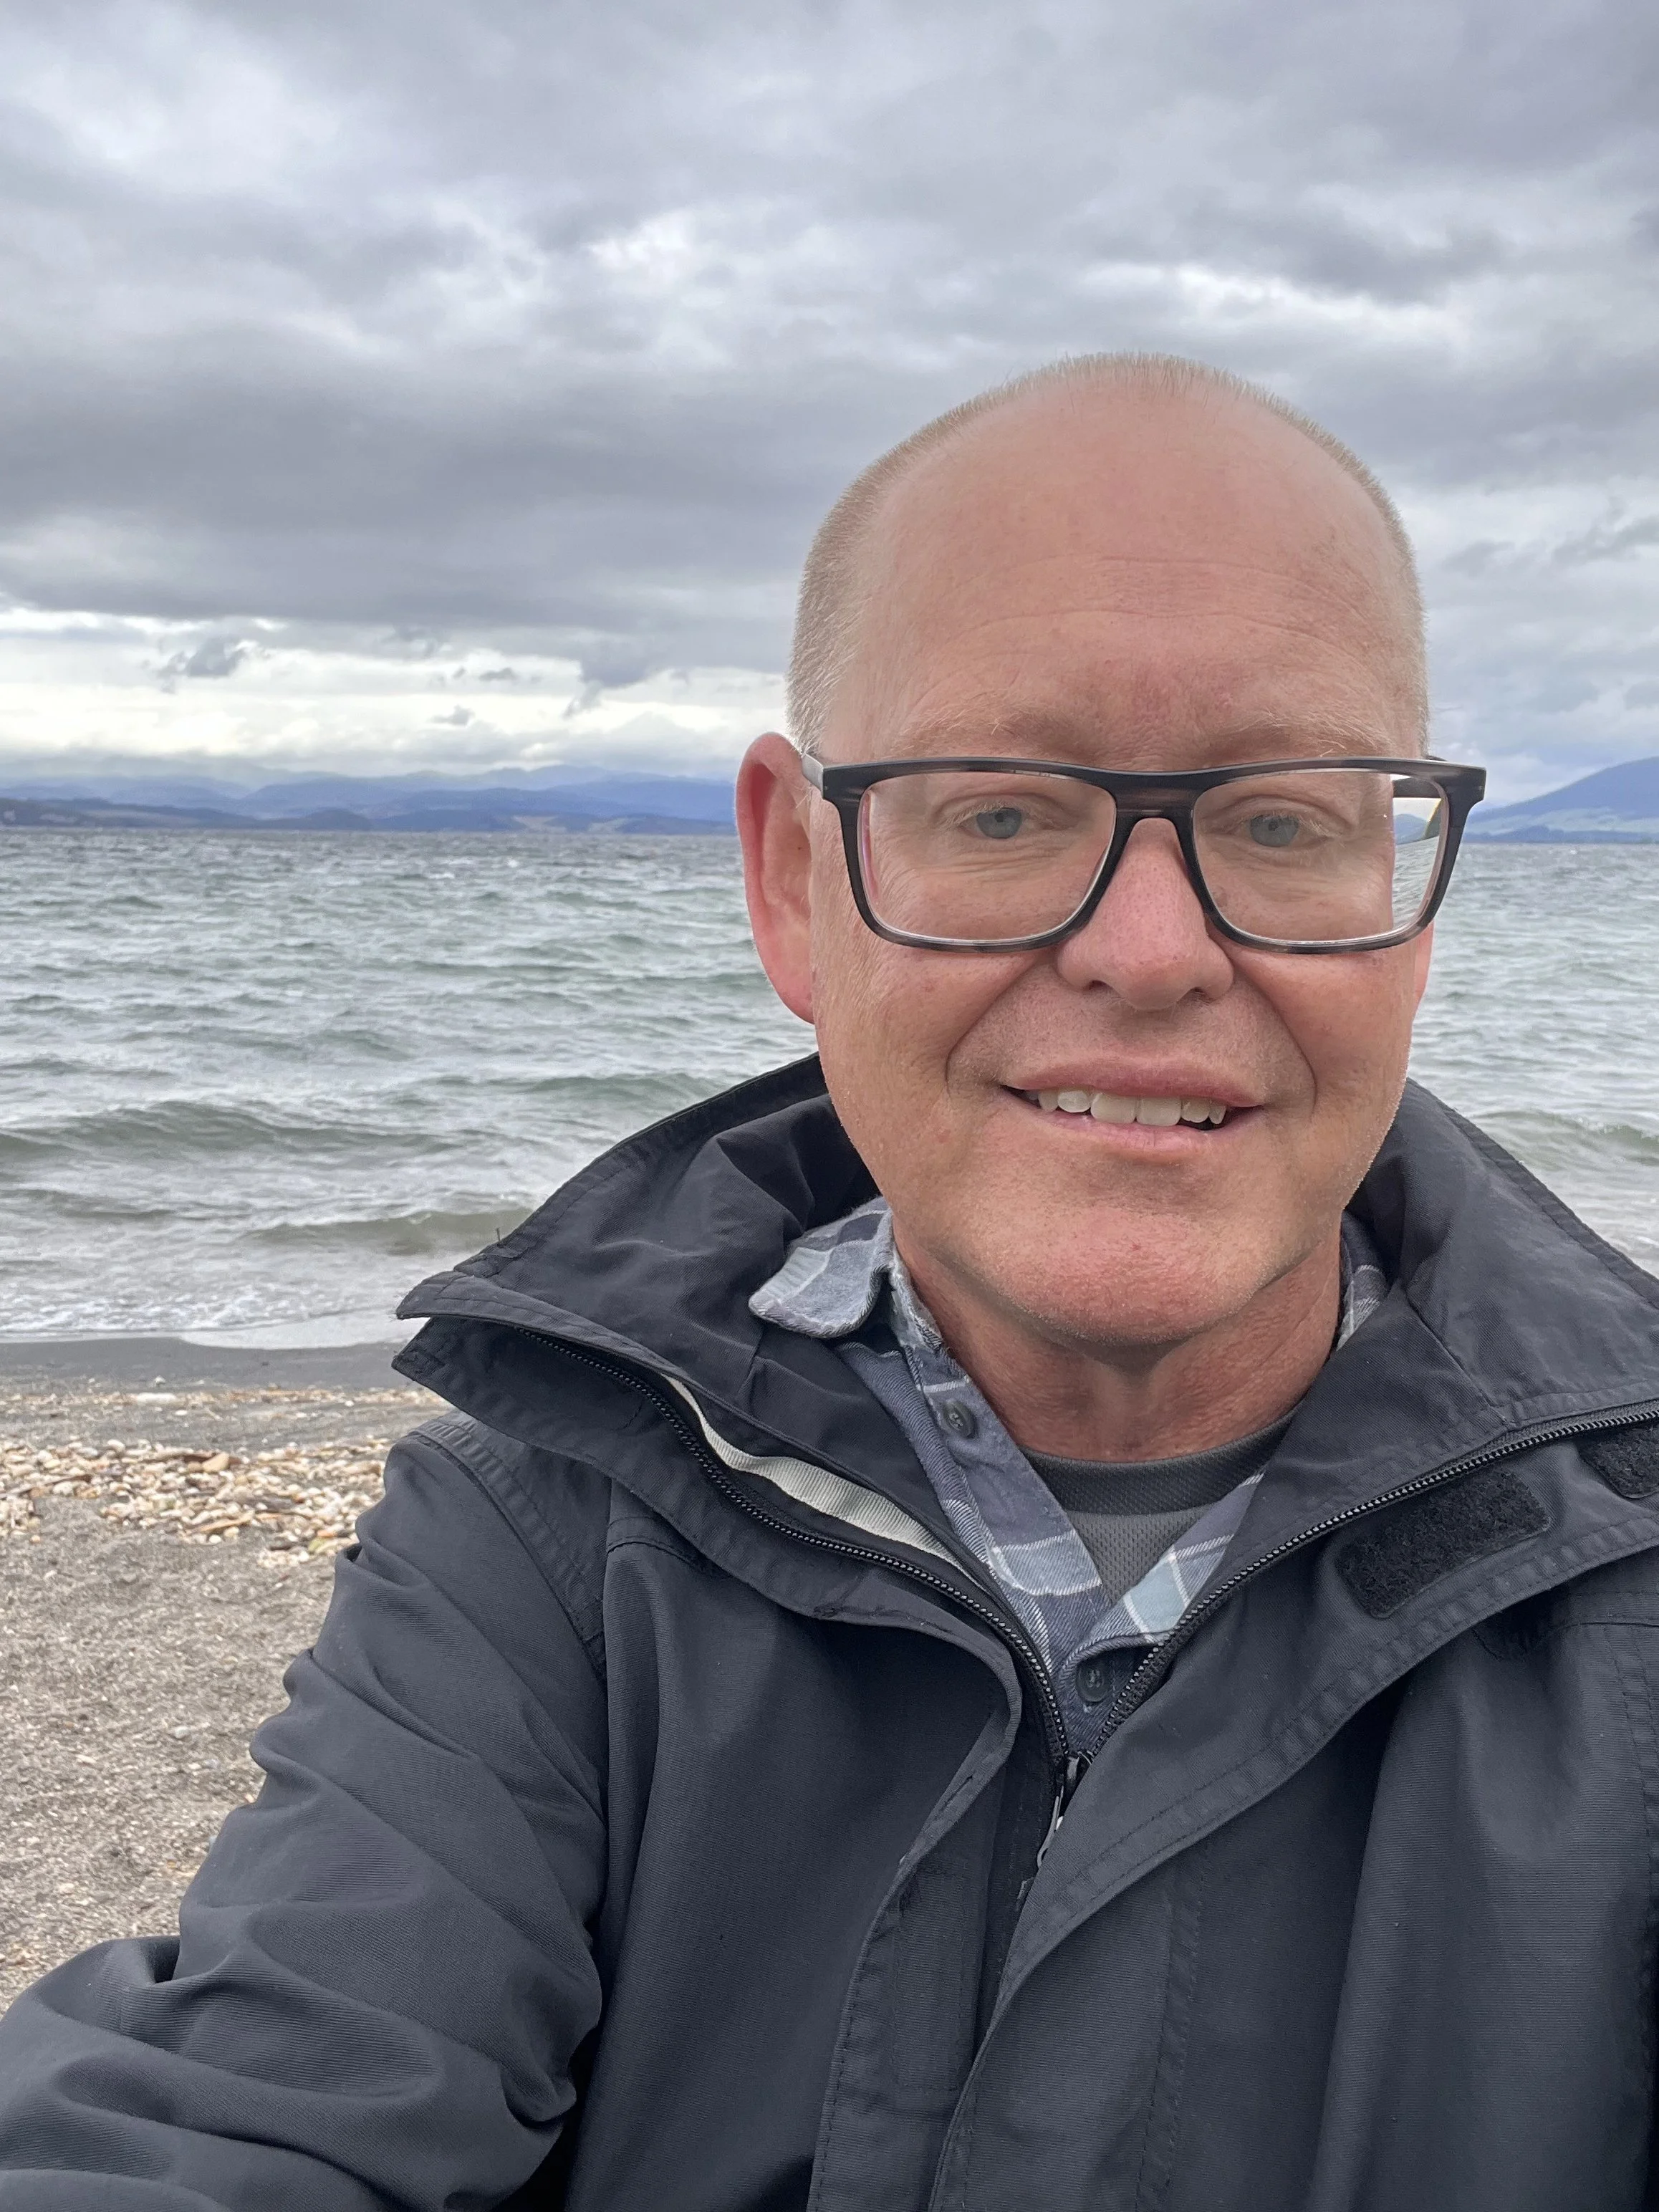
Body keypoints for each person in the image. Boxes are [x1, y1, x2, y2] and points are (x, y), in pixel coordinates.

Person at [2, 354, 1657, 2212]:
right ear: (796, 879)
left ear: (1410, 900)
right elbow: (243, 2115)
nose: (1146, 950)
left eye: (1280, 820)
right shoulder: (549, 1532)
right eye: (1001, 811)